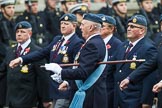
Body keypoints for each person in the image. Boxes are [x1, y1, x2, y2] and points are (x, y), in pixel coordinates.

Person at [9, 13, 108, 108]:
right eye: (62, 24)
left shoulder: (91, 44)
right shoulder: (59, 40)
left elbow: (82, 71)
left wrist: (61, 72)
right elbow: (42, 52)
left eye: (82, 25)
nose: (80, 27)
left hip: (89, 93)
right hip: (63, 87)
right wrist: (22, 59)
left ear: (90, 27)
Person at [107, 14, 157, 108]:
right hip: (119, 97)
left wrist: (146, 101)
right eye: (128, 26)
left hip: (135, 98)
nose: (128, 29)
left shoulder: (149, 47)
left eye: (132, 26)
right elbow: (110, 67)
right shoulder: (123, 45)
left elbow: (150, 76)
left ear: (142, 30)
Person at [0, 21, 52, 108]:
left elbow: (43, 77)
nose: (19, 34)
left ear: (30, 33)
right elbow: (2, 71)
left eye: (23, 32)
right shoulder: (10, 51)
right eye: (17, 32)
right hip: (11, 100)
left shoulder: (36, 52)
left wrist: (46, 99)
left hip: (29, 100)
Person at [100, 14, 122, 108]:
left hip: (109, 87)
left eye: (102, 26)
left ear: (111, 28)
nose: (99, 28)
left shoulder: (117, 44)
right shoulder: (97, 42)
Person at [0, 0, 16, 107]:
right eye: (9, 7)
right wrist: (10, 54)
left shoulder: (14, 23)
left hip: (13, 59)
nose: (12, 10)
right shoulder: (1, 23)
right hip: (3, 61)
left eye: (13, 7)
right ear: (2, 9)